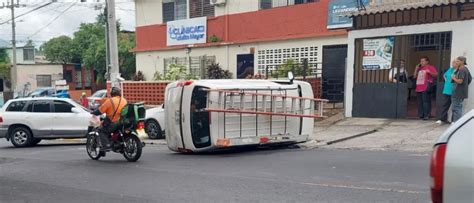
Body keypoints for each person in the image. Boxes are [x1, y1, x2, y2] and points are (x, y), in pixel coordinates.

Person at [451, 56, 472, 122]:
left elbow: (460, 81)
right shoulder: (462, 69)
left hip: (458, 92)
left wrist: (453, 78)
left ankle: (456, 122)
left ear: (462, 62)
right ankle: (456, 122)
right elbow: (470, 79)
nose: (456, 62)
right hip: (459, 91)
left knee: (456, 108)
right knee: (457, 107)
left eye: (458, 61)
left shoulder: (462, 69)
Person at [436, 60, 456, 124]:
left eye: (454, 62)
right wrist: (446, 80)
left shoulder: (458, 70)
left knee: (454, 106)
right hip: (447, 90)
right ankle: (442, 119)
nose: (453, 64)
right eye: (453, 62)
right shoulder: (450, 69)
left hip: (454, 90)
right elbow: (444, 75)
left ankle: (453, 120)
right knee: (445, 105)